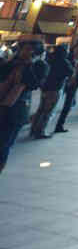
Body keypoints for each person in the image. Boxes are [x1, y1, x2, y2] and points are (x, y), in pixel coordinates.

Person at [0, 40, 49, 173]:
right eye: (23, 49)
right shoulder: (11, 63)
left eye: (29, 49)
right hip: (3, 103)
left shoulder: (39, 66)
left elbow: (34, 83)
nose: (25, 52)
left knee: (4, 143)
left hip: (16, 109)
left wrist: (28, 65)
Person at [30, 44, 72, 139]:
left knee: (41, 110)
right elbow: (70, 72)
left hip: (45, 88)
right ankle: (40, 131)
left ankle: (33, 130)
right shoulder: (64, 62)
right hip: (55, 89)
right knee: (48, 111)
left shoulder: (49, 59)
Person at [54, 39, 78, 133]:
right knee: (52, 104)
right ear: (74, 48)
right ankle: (37, 121)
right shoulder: (68, 56)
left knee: (67, 106)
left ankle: (59, 125)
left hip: (74, 84)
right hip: (62, 83)